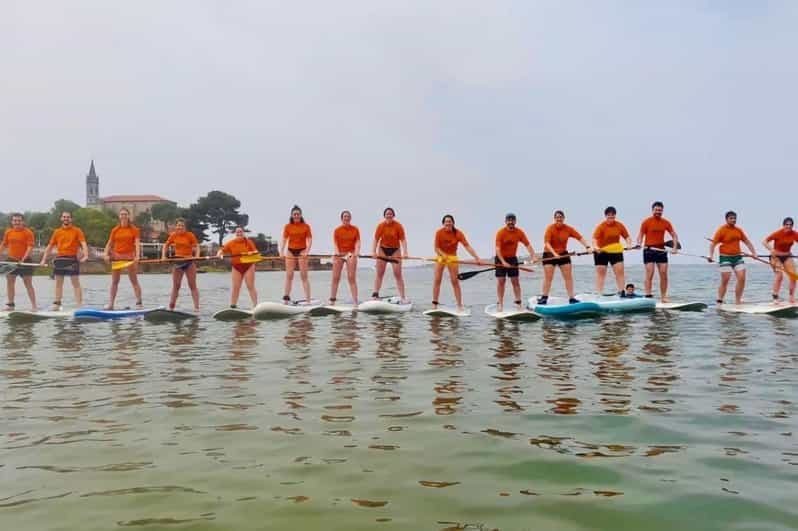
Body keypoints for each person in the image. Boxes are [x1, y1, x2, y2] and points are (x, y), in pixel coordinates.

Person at [538, 210, 591, 304]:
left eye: (561, 217)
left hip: (563, 254)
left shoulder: (568, 228)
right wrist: (554, 254)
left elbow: (580, 237)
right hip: (549, 253)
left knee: (568, 277)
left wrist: (587, 247)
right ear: (554, 219)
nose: (559, 219)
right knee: (548, 277)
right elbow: (547, 243)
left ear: (563, 218)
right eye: (557, 217)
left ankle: (571, 298)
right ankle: (544, 297)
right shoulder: (550, 228)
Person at [39, 211, 89, 310]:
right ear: (61, 218)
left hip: (72, 260)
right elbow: (49, 246)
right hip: (60, 259)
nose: (66, 218)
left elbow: (83, 243)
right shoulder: (57, 232)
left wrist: (86, 255)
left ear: (71, 219)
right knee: (58, 284)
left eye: (68, 217)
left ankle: (79, 305)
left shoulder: (77, 230)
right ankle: (57, 304)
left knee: (75, 283)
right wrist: (43, 259)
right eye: (64, 217)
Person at [432, 214, 481, 311]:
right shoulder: (439, 233)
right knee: (437, 280)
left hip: (452, 257)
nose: (448, 223)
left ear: (453, 223)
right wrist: (443, 255)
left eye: (450, 221)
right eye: (446, 221)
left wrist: (477, 258)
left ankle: (459, 305)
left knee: (455, 281)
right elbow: (436, 248)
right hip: (441, 256)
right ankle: (434, 304)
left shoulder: (458, 233)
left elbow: (467, 246)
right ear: (443, 223)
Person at [708, 211, 757, 305]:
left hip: (737, 257)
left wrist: (754, 253)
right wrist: (710, 255)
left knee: (742, 277)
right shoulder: (721, 230)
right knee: (725, 279)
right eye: (731, 218)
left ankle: (737, 301)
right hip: (725, 258)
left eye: (734, 218)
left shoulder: (738, 230)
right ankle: (720, 300)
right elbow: (713, 244)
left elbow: (747, 242)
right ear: (726, 219)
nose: (733, 220)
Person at [636, 201, 679, 301]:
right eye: (656, 210)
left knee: (663, 274)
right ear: (652, 210)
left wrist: (675, 247)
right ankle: (648, 296)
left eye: (660, 210)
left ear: (662, 211)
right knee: (650, 273)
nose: (658, 212)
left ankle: (663, 297)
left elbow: (674, 235)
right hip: (649, 250)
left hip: (661, 250)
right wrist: (639, 243)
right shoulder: (646, 222)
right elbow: (640, 235)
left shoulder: (666, 222)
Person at [102, 207, 142, 310]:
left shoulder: (134, 229)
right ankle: (111, 304)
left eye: (125, 214)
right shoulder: (115, 230)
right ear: (119, 216)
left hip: (129, 258)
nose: (123, 216)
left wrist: (137, 256)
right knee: (115, 281)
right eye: (122, 214)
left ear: (129, 216)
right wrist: (105, 254)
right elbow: (109, 243)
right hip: (117, 257)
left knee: (134, 280)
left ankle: (139, 303)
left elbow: (137, 244)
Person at [495, 213, 536, 312]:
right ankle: (500, 304)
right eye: (508, 220)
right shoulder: (500, 233)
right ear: (505, 222)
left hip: (513, 259)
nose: (510, 222)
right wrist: (503, 262)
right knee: (501, 282)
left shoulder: (519, 232)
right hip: (500, 259)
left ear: (515, 221)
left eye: (512, 220)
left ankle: (518, 303)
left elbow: (528, 245)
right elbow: (497, 249)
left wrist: (533, 256)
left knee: (515, 282)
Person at [592, 206, 633, 296]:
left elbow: (627, 237)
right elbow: (594, 239)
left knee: (620, 271)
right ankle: (599, 294)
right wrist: (595, 247)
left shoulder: (619, 225)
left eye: (612, 216)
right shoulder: (601, 226)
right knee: (601, 274)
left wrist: (629, 245)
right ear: (605, 216)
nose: (611, 218)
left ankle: (621, 292)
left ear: (615, 216)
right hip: (601, 252)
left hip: (615, 250)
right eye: (609, 216)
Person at [0, 213, 37, 311]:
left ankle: (34, 306)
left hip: (25, 261)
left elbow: (30, 247)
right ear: (12, 222)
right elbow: (3, 244)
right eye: (15, 220)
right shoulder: (8, 232)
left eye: (19, 220)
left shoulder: (28, 232)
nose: (17, 222)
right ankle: (11, 305)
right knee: (10, 282)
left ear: (23, 222)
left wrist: (23, 259)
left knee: (27, 283)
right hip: (11, 260)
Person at [371, 207, 409, 302]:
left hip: (395, 250)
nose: (389, 215)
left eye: (391, 214)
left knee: (398, 274)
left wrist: (405, 252)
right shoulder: (380, 226)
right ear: (384, 216)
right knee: (380, 273)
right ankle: (375, 295)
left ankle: (403, 297)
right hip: (382, 250)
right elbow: (375, 239)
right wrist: (373, 252)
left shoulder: (398, 226)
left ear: (393, 215)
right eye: (387, 214)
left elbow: (403, 240)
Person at [163, 218, 200, 312]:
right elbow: (166, 245)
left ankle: (196, 308)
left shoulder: (190, 235)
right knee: (176, 286)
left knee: (192, 285)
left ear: (185, 227)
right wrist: (163, 256)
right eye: (178, 225)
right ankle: (171, 307)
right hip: (177, 262)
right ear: (176, 226)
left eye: (182, 226)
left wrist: (197, 256)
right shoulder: (173, 235)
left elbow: (196, 246)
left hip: (189, 261)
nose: (180, 227)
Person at [217, 226, 259, 308]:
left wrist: (252, 253)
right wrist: (219, 254)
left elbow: (256, 252)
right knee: (236, 287)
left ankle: (255, 305)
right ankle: (233, 305)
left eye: (240, 232)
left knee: (250, 286)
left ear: (243, 233)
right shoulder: (231, 243)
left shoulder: (249, 242)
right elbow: (222, 250)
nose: (239, 233)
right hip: (236, 267)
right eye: (237, 232)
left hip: (248, 266)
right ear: (235, 234)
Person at [281, 205, 312, 303]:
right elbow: (284, 239)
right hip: (290, 251)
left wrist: (307, 251)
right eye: (294, 214)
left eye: (298, 214)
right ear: (291, 215)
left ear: (301, 215)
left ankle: (308, 300)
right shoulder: (288, 226)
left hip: (302, 251)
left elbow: (309, 240)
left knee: (304, 276)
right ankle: (286, 299)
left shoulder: (306, 226)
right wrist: (281, 251)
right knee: (289, 275)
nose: (296, 216)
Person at [762, 217, 797, 303]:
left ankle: (791, 297)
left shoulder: (794, 234)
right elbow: (764, 241)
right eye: (787, 225)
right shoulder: (778, 233)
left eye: (790, 225)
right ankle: (775, 297)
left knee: (793, 276)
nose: (788, 226)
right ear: (783, 225)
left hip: (787, 256)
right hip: (775, 257)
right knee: (779, 275)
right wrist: (771, 249)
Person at [330, 210, 360, 305]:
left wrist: (356, 252)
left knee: (351, 277)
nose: (346, 218)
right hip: (339, 254)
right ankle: (332, 301)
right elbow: (335, 243)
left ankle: (355, 301)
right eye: (344, 217)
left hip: (350, 254)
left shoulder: (355, 229)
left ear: (350, 218)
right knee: (335, 277)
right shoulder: (337, 230)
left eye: (348, 216)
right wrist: (337, 253)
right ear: (342, 218)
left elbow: (358, 242)